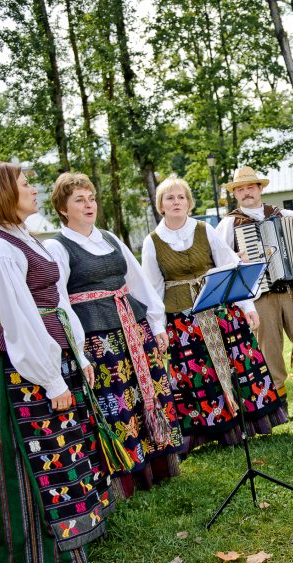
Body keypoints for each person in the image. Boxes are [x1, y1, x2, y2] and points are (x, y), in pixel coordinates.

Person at [0, 162, 120, 563]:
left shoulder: (22, 237)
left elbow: (58, 302)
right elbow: (19, 320)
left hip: (58, 356)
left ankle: (80, 534)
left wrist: (79, 355)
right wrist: (51, 379)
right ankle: (43, 555)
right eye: (25, 185)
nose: (34, 190)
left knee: (70, 449)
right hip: (31, 369)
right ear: (4, 192)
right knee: (43, 458)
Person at [44, 172, 184, 497]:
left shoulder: (108, 238)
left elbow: (137, 281)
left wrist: (157, 323)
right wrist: (78, 350)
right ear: (63, 208)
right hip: (99, 336)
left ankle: (159, 466)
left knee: (150, 395)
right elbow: (60, 301)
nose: (89, 204)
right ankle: (128, 479)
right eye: (79, 200)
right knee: (118, 403)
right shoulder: (57, 246)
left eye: (91, 198)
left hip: (133, 326)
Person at [141, 175, 287, 452]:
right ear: (161, 205)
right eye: (169, 198)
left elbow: (231, 266)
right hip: (182, 321)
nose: (176, 202)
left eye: (181, 197)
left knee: (239, 365)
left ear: (188, 202)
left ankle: (251, 423)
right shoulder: (153, 241)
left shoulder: (203, 230)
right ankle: (215, 431)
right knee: (199, 374)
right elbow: (153, 290)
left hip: (219, 310)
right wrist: (158, 328)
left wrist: (248, 307)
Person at [215, 166, 293, 408]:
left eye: (251, 187)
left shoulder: (284, 214)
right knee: (269, 350)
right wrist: (236, 258)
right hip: (260, 294)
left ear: (260, 189)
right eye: (240, 189)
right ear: (235, 194)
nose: (246, 192)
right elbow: (218, 259)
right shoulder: (229, 224)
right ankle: (278, 407)